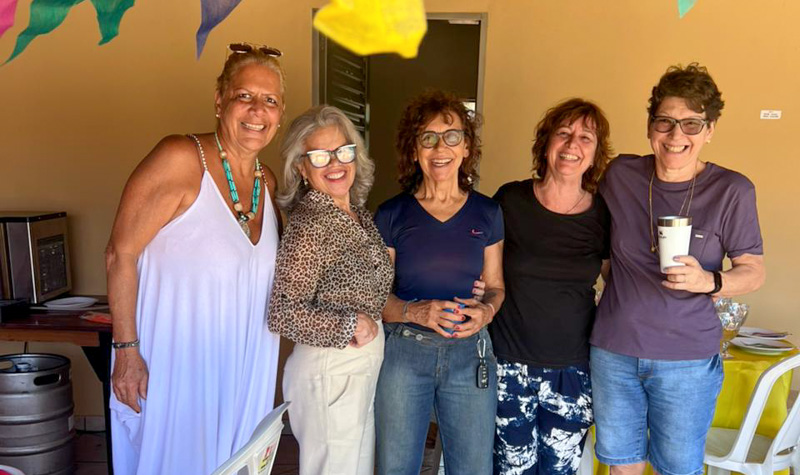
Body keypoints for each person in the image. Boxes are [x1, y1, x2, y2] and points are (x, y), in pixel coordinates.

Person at [106, 43, 285, 475]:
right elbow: (120, 253)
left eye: (270, 100)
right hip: (178, 367)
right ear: (219, 100)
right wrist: (126, 352)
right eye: (244, 96)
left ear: (280, 114)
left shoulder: (267, 182)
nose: (257, 110)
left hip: (244, 369)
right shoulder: (181, 159)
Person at [591, 63, 766, 475]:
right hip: (614, 351)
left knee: (677, 469)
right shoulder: (621, 175)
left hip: (687, 360)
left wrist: (708, 281)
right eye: (665, 121)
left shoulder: (732, 190)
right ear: (650, 126)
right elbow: (600, 247)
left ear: (710, 130)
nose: (676, 135)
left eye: (691, 124)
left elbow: (753, 271)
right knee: (622, 466)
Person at [374, 89, 505, 474]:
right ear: (414, 150)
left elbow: (496, 287)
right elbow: (377, 298)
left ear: (466, 148)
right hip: (404, 354)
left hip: (469, 354)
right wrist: (416, 312)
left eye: (451, 136)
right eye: (427, 138)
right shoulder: (392, 214)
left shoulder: (488, 213)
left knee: (472, 468)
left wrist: (487, 312)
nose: (440, 147)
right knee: (396, 467)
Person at [268, 105, 393, 475]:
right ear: (301, 168)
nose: (336, 163)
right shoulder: (310, 224)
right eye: (321, 156)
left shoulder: (356, 214)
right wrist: (348, 324)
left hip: (356, 370)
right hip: (330, 370)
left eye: (343, 151)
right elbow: (282, 311)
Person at [491, 98, 613, 475]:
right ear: (546, 143)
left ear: (595, 154)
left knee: (560, 470)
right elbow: (482, 268)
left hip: (573, 371)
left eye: (585, 137)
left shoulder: (603, 214)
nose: (573, 144)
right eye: (563, 133)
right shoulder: (510, 200)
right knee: (511, 470)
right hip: (507, 365)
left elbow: (617, 282)